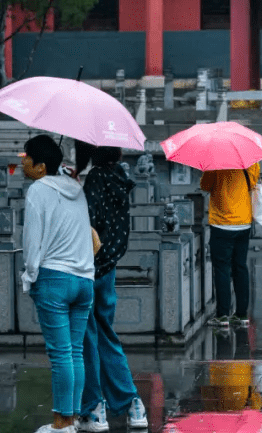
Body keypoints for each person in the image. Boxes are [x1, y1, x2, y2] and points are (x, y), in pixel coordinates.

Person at [21, 135, 96, 433]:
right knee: (75, 351)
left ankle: (61, 422)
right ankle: (71, 419)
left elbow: (32, 241)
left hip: (54, 279)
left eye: (28, 157)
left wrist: (29, 275)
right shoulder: (77, 188)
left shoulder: (38, 190)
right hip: (84, 280)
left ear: (41, 167)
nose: (23, 161)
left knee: (61, 353)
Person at [72, 144, 148, 432]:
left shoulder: (97, 179)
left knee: (88, 336)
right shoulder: (119, 178)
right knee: (104, 333)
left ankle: (94, 407)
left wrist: (76, 189)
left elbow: (89, 222)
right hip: (110, 266)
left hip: (90, 266)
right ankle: (132, 404)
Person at [200, 162, 260, 328]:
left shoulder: (215, 162)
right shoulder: (251, 162)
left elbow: (205, 185)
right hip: (244, 222)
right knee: (240, 266)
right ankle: (241, 314)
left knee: (222, 268)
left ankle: (223, 314)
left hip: (222, 223)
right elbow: (253, 182)